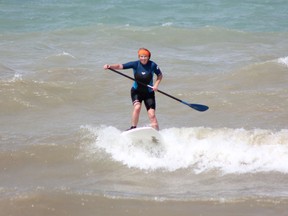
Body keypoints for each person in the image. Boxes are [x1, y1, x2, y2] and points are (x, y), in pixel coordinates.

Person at [103, 48, 163, 131]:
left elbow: (160, 75)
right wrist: (110, 66)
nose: (143, 58)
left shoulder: (153, 65)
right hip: (136, 91)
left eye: (145, 56)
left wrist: (156, 85)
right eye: (141, 56)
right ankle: (133, 127)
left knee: (152, 115)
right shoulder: (135, 64)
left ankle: (157, 133)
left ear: (148, 57)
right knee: (137, 107)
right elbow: (120, 66)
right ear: (139, 57)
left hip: (149, 93)